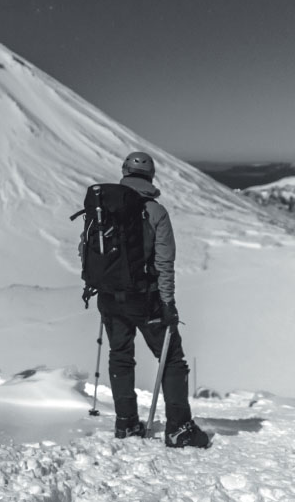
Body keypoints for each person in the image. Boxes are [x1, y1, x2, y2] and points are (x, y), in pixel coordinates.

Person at [91, 151, 208, 448]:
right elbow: (164, 263)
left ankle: (126, 423)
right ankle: (179, 428)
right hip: (146, 300)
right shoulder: (154, 212)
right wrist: (167, 303)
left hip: (108, 297)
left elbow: (86, 251)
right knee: (171, 360)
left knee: (120, 355)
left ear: (124, 172)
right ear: (151, 177)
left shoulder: (101, 207)